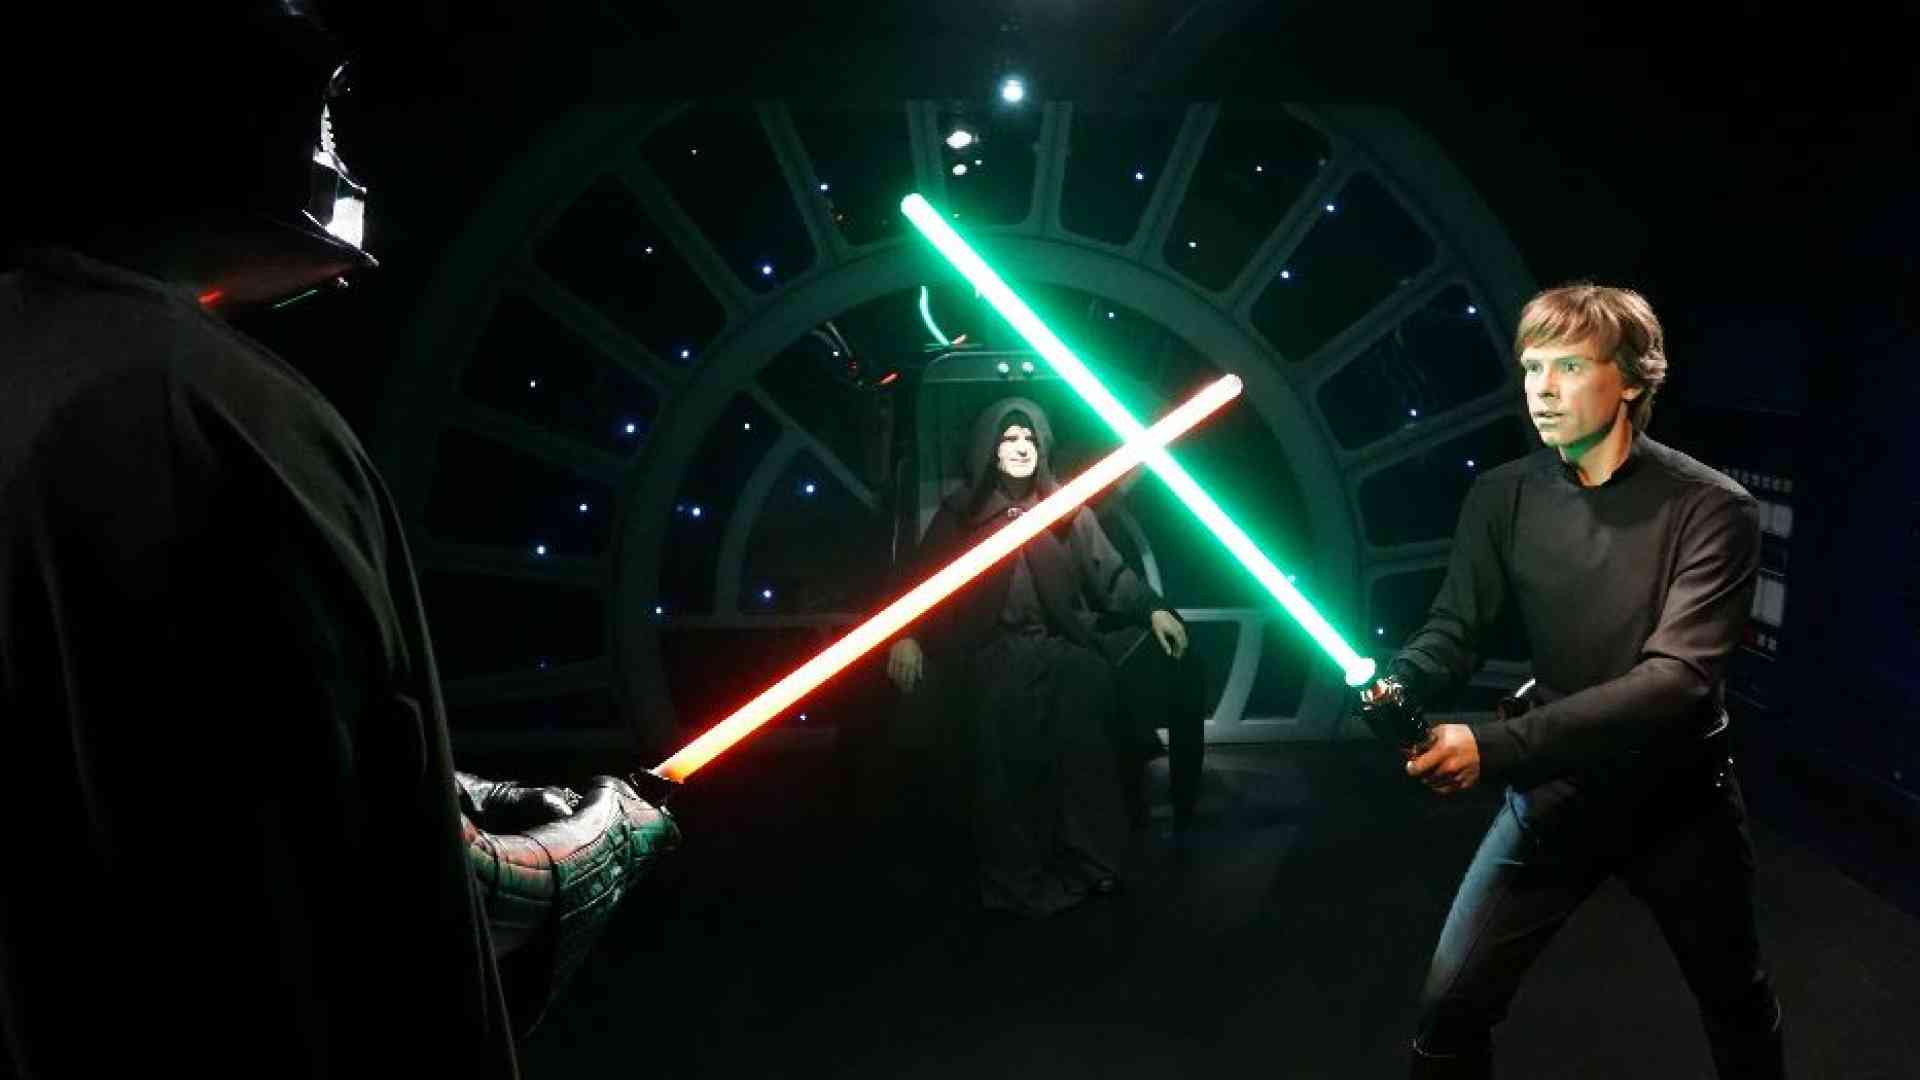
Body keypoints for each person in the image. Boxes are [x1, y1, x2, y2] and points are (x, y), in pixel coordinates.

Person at [0, 6, 675, 1076]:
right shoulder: (208, 414)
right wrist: (579, 858)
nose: (334, 147)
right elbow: (341, 866)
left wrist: (457, 794)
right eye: (311, 106)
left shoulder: (56, 362)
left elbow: (212, 740)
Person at [1357, 284, 1786, 1078]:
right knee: (1449, 1011)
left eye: (1570, 367)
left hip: (1677, 801)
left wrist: (1494, 746)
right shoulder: (1503, 494)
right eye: (1532, 368)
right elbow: (1455, 627)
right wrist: (1402, 680)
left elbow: (1677, 682)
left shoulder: (1712, 507)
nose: (1542, 390)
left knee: (1735, 999)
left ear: (1631, 379)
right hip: (1556, 792)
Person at [884, 396, 1190, 917]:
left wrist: (1153, 609)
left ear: (1042, 447)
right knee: (1002, 736)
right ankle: (1015, 876)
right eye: (1009, 438)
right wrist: (906, 634)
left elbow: (1111, 573)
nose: (1021, 447)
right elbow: (919, 583)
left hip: (1058, 646)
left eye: (1029, 438)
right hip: (989, 651)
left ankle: (1096, 864)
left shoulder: (1067, 510)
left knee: (1090, 707)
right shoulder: (960, 516)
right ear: (989, 449)